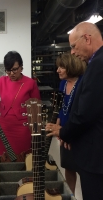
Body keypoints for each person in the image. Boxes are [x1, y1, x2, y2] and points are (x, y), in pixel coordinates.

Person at [46, 22, 103, 200]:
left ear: (86, 38)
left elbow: (86, 114)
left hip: (95, 156)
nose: (72, 52)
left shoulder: (98, 65)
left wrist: (65, 132)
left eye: (73, 46)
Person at [55, 52, 86, 194]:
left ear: (71, 66)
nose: (58, 70)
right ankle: (71, 195)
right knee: (68, 166)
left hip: (79, 133)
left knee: (83, 169)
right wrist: (58, 126)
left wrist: (70, 133)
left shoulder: (83, 82)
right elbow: (62, 107)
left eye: (61, 67)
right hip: (65, 131)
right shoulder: (63, 83)